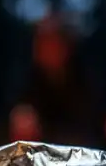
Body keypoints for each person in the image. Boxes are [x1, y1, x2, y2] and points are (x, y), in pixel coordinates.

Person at [9, 15, 96, 146]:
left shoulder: (87, 77)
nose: (48, 50)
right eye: (42, 43)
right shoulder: (27, 79)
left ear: (66, 47)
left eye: (53, 42)